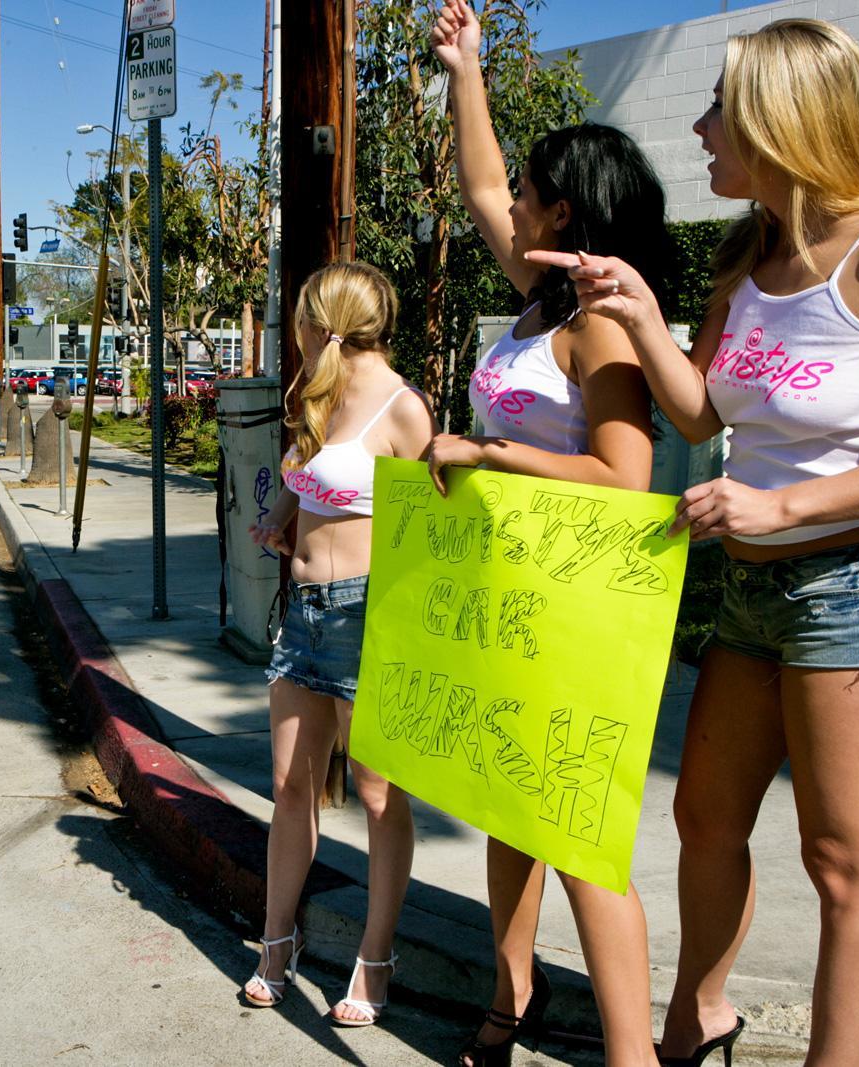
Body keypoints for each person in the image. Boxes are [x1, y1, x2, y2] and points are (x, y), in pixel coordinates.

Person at [526, 17, 859, 1066]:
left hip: (853, 587)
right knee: (701, 816)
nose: (697, 127)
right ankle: (700, 1015)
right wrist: (640, 314)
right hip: (747, 595)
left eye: (716, 108)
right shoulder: (744, 255)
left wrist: (781, 507)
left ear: (782, 117)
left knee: (842, 862)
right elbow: (696, 416)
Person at [427, 4, 676, 1065]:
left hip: (578, 603)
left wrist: (486, 457)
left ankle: (626, 1052)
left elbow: (624, 478)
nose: (507, 203)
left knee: (579, 835)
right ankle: (507, 996)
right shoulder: (542, 299)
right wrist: (464, 69)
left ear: (563, 208)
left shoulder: (605, 325)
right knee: (505, 809)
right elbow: (481, 182)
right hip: (507, 587)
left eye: (528, 193)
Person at [242, 261, 435, 1025]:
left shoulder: (402, 407)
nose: (296, 328)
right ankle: (275, 942)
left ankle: (374, 957)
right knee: (291, 784)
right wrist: (279, 520)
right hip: (305, 613)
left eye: (302, 317)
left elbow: (429, 535)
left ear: (327, 322)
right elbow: (304, 479)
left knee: (380, 796)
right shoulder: (319, 399)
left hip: (369, 615)